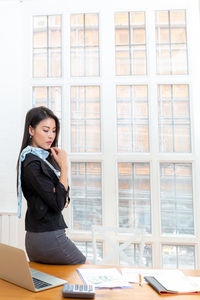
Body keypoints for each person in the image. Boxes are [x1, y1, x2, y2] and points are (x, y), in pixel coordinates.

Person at [17, 106, 86, 265]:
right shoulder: (32, 162)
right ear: (31, 130)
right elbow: (57, 203)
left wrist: (59, 190)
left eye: (54, 131)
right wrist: (65, 167)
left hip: (38, 236)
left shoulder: (42, 159)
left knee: (55, 286)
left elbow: (61, 198)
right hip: (49, 236)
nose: (51, 136)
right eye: (46, 130)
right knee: (87, 271)